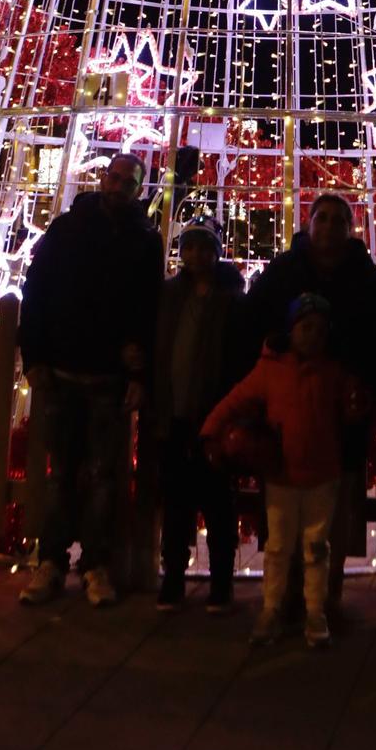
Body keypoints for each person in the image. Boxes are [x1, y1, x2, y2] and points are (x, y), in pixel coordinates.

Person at [18, 152, 162, 606]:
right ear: (103, 179)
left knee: (104, 476)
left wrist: (139, 372)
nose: (119, 187)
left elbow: (148, 309)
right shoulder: (66, 229)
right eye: (114, 178)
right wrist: (34, 356)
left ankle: (96, 565)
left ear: (140, 189)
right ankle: (52, 562)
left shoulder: (144, 240)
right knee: (59, 474)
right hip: (61, 370)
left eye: (129, 182)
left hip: (108, 378)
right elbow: (35, 290)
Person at [202, 292, 365, 650]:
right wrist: (211, 431)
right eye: (305, 328)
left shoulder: (333, 371)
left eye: (319, 331)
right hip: (282, 474)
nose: (312, 337)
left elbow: (352, 410)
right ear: (292, 330)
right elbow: (237, 398)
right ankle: (272, 608)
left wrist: (355, 404)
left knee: (315, 547)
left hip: (323, 474)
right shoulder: (272, 369)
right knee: (278, 546)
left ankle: (315, 610)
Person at [242, 192, 376, 615]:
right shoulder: (285, 271)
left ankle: (324, 596)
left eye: (340, 219)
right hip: (291, 406)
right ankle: (284, 594)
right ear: (308, 223)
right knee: (285, 508)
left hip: (341, 408)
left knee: (332, 510)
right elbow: (254, 320)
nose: (330, 227)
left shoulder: (363, 275)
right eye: (322, 218)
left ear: (351, 228)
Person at [151, 216, 245, 614]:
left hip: (214, 415)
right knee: (176, 502)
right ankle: (172, 577)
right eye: (189, 247)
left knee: (219, 504)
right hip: (173, 413)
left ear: (216, 252)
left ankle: (221, 582)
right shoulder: (170, 295)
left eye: (204, 247)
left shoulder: (231, 300)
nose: (195, 255)